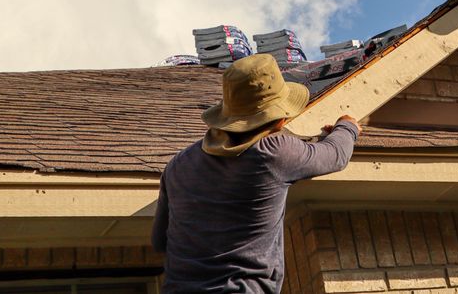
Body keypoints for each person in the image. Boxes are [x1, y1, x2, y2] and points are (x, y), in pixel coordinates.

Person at [151, 53, 360, 292]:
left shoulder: (178, 165)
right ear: (280, 119)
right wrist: (347, 126)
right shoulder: (272, 152)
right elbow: (336, 155)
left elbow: (160, 241)